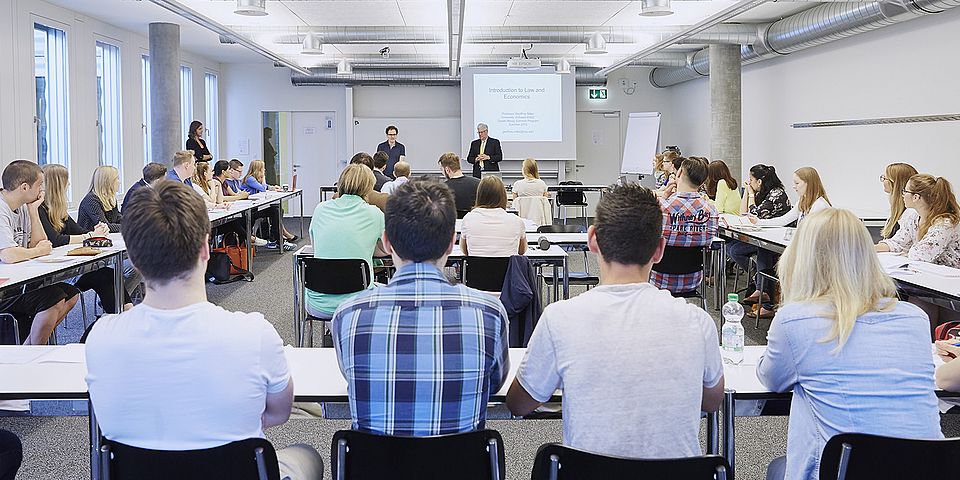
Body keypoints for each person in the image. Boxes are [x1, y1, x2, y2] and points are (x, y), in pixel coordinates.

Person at [85, 180, 324, 479]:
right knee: (307, 456)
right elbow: (279, 412)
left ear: (131, 257)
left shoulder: (101, 338)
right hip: (235, 469)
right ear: (205, 249)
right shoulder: (254, 334)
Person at [506, 183, 724, 458]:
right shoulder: (698, 322)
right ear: (659, 250)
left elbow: (519, 404)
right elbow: (712, 402)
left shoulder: (560, 318)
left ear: (592, 239)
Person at [757, 208, 942, 480]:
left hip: (845, 468)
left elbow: (771, 379)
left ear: (802, 258)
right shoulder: (914, 318)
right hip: (927, 468)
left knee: (780, 467)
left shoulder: (795, 321)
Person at [331, 179, 509, 435]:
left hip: (375, 458)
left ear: (387, 242)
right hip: (461, 457)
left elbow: (353, 378)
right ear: (452, 242)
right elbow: (493, 384)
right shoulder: (489, 313)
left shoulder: (348, 315)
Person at [0, 160, 79, 345]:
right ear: (24, 187)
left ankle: (29, 347)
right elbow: (8, 255)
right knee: (53, 298)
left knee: (71, 293)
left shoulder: (24, 206)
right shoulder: (2, 209)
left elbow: (40, 243)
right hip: (5, 287)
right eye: (39, 185)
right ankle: (33, 350)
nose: (42, 190)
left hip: (19, 278)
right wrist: (36, 251)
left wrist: (34, 211)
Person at [39, 164, 134, 313]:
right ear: (58, 185)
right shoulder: (42, 209)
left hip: (74, 262)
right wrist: (91, 235)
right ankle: (118, 314)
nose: (69, 184)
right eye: (66, 181)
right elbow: (57, 240)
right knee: (106, 276)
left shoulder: (59, 210)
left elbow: (79, 230)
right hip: (59, 271)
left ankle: (124, 310)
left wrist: (95, 232)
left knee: (109, 274)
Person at [876, 174, 960, 329]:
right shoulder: (915, 218)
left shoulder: (945, 223)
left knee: (918, 303)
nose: (902, 194)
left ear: (916, 197)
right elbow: (897, 242)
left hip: (948, 289)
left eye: (905, 191)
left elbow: (920, 255)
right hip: (927, 281)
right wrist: (871, 248)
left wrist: (906, 252)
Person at [306, 164, 385, 319]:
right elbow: (386, 249)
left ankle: (335, 328)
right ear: (368, 188)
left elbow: (316, 248)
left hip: (318, 305)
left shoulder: (320, 209)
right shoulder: (375, 214)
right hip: (359, 306)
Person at [726, 164, 791, 319]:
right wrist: (747, 193)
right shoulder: (762, 192)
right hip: (763, 236)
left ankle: (763, 292)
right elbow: (743, 213)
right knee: (732, 248)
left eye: (751, 179)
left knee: (762, 251)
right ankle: (758, 280)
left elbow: (756, 214)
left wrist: (750, 193)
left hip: (776, 241)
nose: (749, 182)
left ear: (760, 181)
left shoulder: (776, 194)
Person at [651, 157, 718, 294]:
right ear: (702, 181)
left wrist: (664, 197)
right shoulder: (711, 212)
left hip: (658, 280)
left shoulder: (660, 208)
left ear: (679, 172)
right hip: (693, 281)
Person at [460, 176, 526, 257]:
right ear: (503, 196)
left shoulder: (468, 219)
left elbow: (465, 251)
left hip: (476, 265)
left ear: (479, 195)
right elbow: (521, 251)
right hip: (508, 265)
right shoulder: (516, 221)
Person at [748, 167, 831, 227]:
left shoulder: (820, 206)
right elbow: (784, 220)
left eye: (797, 183)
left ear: (809, 184)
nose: (794, 187)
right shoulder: (803, 201)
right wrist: (758, 222)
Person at [242, 160, 298, 249]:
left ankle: (275, 238)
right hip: (250, 210)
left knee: (277, 209)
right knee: (275, 210)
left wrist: (273, 187)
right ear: (258, 169)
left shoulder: (254, 178)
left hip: (256, 207)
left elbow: (266, 186)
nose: (264, 170)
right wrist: (263, 178)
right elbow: (262, 188)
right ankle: (278, 239)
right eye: (263, 168)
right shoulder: (250, 179)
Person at [879, 162, 919, 239]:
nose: (883, 181)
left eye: (885, 178)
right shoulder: (896, 211)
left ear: (895, 183)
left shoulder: (911, 213)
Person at [78, 165, 123, 232]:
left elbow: (118, 218)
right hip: (89, 237)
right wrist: (128, 227)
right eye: (117, 178)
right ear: (108, 182)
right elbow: (105, 227)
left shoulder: (111, 198)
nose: (119, 182)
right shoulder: (91, 200)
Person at [438, 152, 480, 217]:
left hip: (453, 221)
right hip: (474, 220)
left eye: (441, 170)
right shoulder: (479, 183)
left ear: (447, 170)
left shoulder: (442, 188)